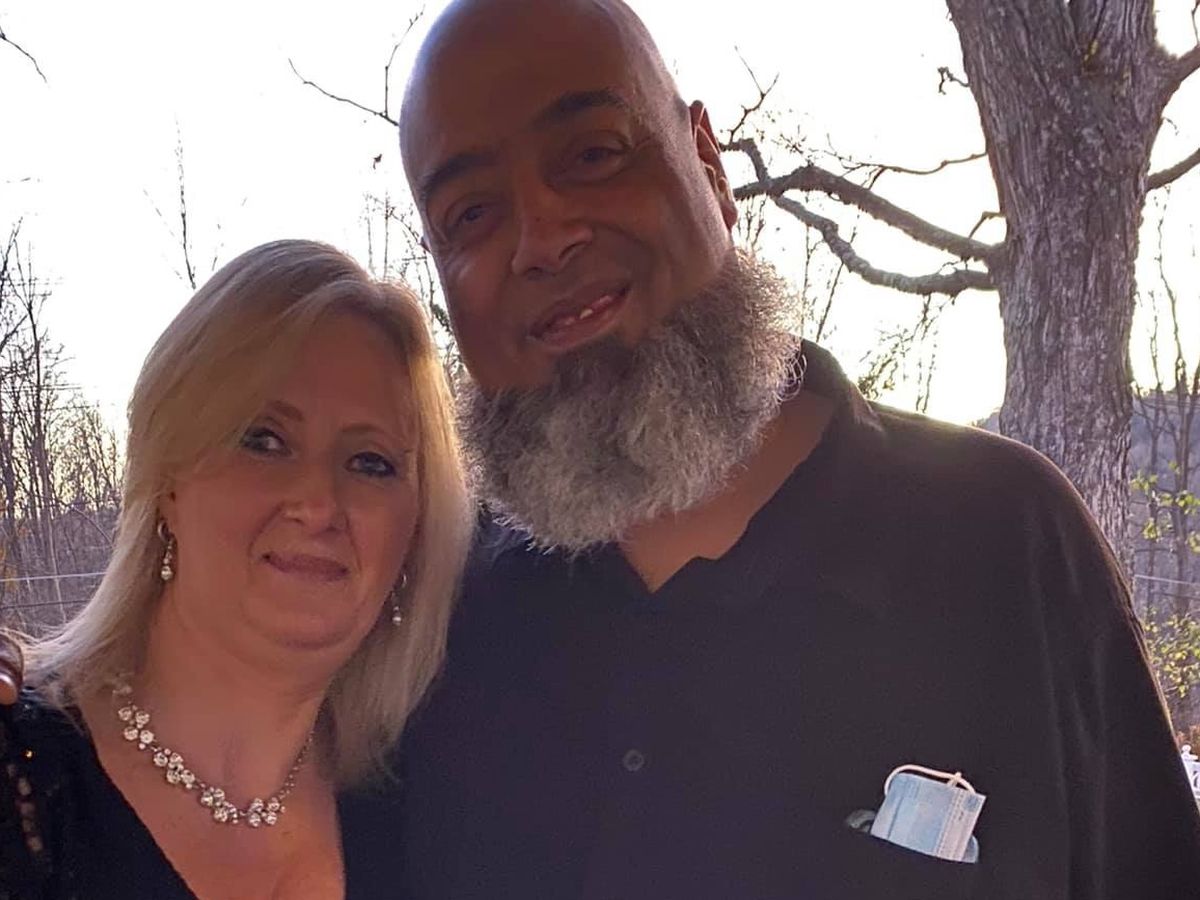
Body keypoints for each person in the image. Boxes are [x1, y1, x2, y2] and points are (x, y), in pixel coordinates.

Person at [390, 0, 1200, 898]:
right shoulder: (427, 625)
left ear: (709, 165)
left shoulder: (1006, 542)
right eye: (470, 212)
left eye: (592, 154)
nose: (542, 238)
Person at [0, 240, 472, 899]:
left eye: (371, 462)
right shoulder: (20, 783)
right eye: (264, 440)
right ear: (168, 479)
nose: (318, 503)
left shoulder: (436, 811)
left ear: (416, 527)